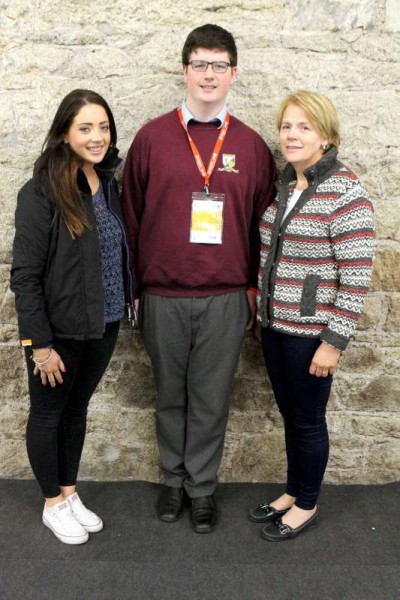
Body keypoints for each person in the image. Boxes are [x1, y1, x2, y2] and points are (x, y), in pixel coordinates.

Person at [122, 24, 276, 533]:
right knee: (168, 394)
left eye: (219, 65)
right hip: (162, 295)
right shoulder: (151, 138)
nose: (208, 74)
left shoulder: (252, 147)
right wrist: (136, 291)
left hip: (226, 296)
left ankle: (202, 489)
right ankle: (172, 480)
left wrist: (254, 291)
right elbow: (131, 218)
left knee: (211, 399)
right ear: (184, 70)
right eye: (199, 64)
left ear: (233, 73)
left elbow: (263, 226)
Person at [248, 90, 374, 541]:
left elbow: (356, 277)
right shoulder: (284, 184)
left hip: (310, 335)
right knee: (290, 414)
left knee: (307, 419)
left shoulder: (344, 188)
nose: (293, 134)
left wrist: (332, 342)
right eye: (287, 126)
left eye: (304, 126)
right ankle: (292, 490)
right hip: (274, 327)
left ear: (325, 135)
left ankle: (306, 504)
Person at [10, 89, 134, 545]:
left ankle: (69, 491)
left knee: (76, 409)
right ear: (64, 133)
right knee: (48, 414)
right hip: (57, 332)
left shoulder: (106, 183)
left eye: (103, 126)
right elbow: (24, 277)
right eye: (85, 127)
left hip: (103, 321)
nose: (97, 136)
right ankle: (51, 503)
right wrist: (39, 346)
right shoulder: (41, 192)